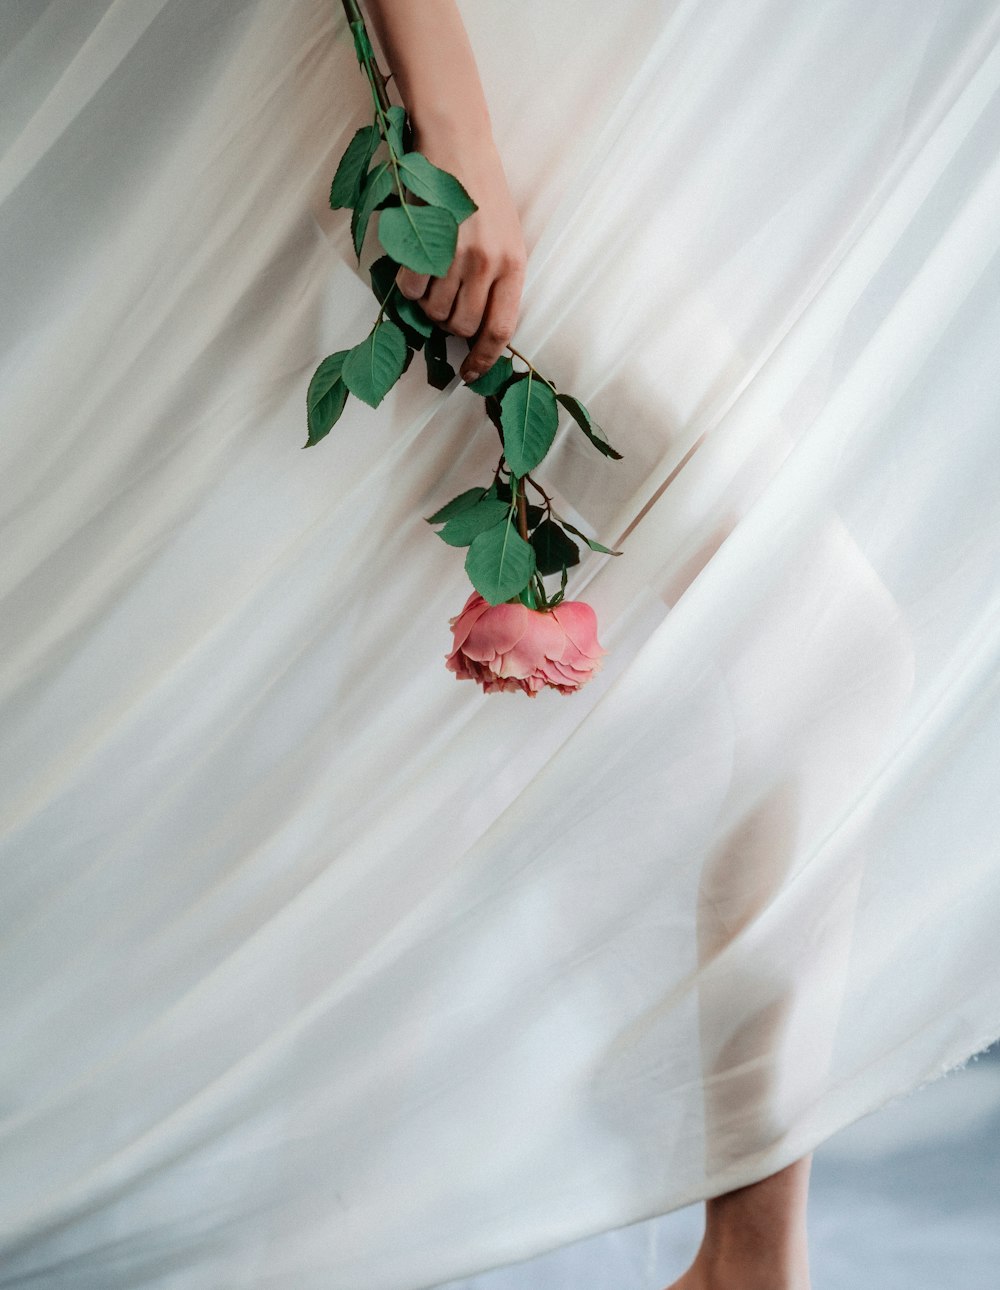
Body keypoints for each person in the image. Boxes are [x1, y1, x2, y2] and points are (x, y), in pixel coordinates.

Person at [363, 4, 814, 1288]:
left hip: (576, 107)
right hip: (478, 127)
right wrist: (452, 124)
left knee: (366, 706)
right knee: (823, 639)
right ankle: (748, 1264)